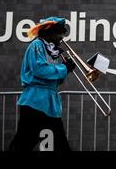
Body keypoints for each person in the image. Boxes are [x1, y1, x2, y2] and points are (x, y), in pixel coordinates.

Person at [9, 17, 75, 152]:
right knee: (22, 144)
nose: (61, 38)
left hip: (50, 105)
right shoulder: (37, 45)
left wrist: (66, 69)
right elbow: (39, 70)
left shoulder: (52, 51)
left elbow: (55, 80)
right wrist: (64, 69)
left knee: (59, 145)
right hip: (35, 103)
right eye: (59, 34)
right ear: (50, 33)